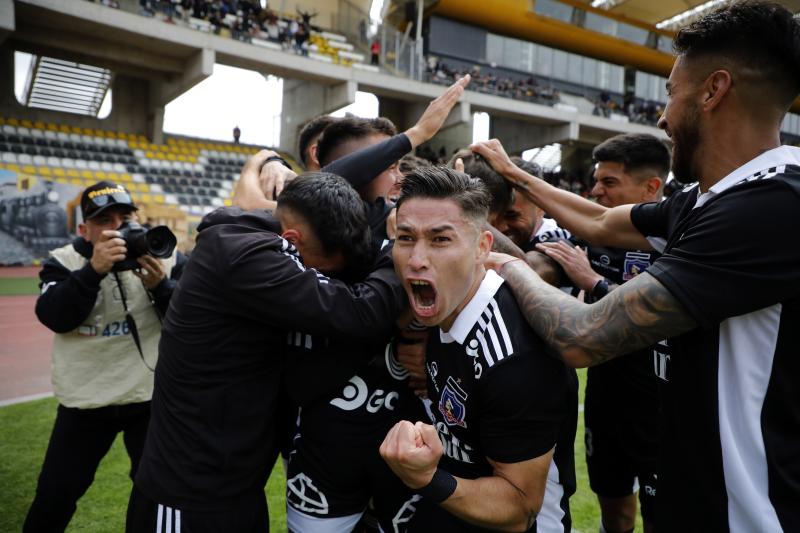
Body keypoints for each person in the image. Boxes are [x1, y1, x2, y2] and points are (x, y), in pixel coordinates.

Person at [471, 2, 800, 530]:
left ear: (713, 90)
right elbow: (601, 222)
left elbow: (582, 334)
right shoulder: (708, 199)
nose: (663, 117)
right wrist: (514, 174)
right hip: (692, 497)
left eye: (671, 92)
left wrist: (508, 268)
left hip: (747, 516)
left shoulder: (772, 208)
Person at [127, 172, 406, 532]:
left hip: (236, 489)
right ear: (292, 241)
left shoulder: (252, 240)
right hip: (187, 497)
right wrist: (400, 248)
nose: (314, 280)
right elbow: (359, 313)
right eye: (316, 271)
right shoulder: (244, 256)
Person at [381, 167, 577, 532]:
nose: (416, 259)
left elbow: (519, 508)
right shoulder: (445, 305)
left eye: (440, 240)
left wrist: (425, 478)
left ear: (482, 248)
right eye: (406, 238)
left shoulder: (515, 359)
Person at [24, 181, 183, 533]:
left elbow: (193, 322)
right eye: (104, 220)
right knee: (55, 494)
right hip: (86, 401)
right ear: (84, 229)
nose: (118, 228)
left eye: (124, 217)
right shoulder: (64, 261)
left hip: (149, 398)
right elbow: (55, 316)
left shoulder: (163, 254)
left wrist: (162, 288)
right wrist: (92, 270)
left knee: (159, 493)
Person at [535, 134, 669, 533]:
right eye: (596, 180)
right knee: (612, 503)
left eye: (609, 182)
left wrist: (594, 284)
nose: (595, 190)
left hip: (662, 405)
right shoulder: (590, 236)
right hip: (606, 395)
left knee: (664, 513)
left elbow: (655, 319)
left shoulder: (681, 237)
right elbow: (542, 253)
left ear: (651, 187)